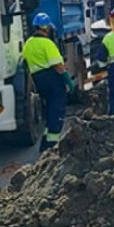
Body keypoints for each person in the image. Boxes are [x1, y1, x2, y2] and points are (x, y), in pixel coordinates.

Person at [22, 13, 76, 150]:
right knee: (57, 110)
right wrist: (69, 81)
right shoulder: (47, 43)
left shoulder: (28, 43)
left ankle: (45, 141)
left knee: (49, 111)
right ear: (46, 27)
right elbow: (58, 66)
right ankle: (53, 144)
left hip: (38, 80)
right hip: (52, 80)